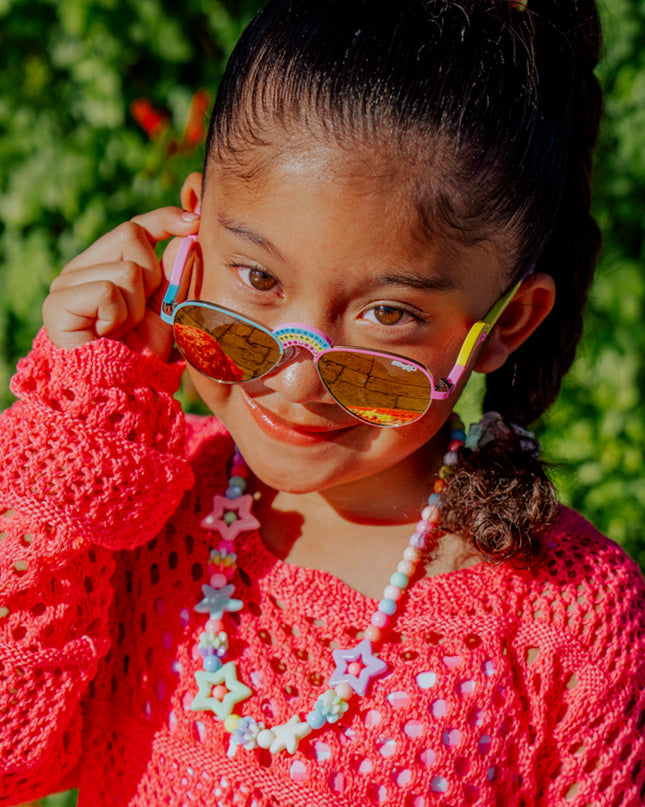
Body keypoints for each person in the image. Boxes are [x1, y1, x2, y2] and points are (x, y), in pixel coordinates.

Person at [1, 0, 644, 804]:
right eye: (258, 278)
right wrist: (79, 414)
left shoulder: (567, 620)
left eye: (387, 314)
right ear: (191, 230)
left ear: (505, 322)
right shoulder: (136, 507)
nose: (296, 380)